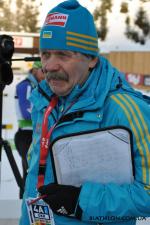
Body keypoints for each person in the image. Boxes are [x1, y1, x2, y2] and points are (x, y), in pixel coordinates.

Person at [20, 1, 150, 225]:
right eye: (45, 54)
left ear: (91, 59)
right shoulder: (43, 101)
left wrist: (82, 201)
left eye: (63, 54)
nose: (49, 66)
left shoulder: (126, 109)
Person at [14, 61, 44, 198]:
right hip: (26, 134)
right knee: (30, 171)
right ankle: (25, 204)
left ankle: (31, 203)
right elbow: (27, 112)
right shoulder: (26, 85)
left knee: (35, 172)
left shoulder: (37, 86)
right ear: (35, 70)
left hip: (34, 133)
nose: (45, 75)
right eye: (43, 71)